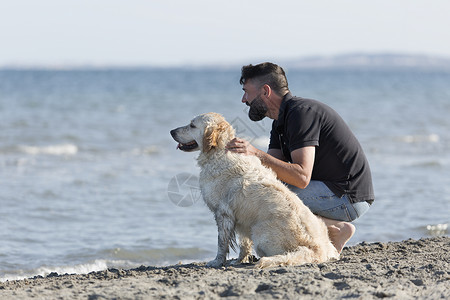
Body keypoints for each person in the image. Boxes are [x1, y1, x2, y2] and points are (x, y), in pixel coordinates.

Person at [226, 62, 374, 253]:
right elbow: (271, 173)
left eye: (246, 92)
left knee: (268, 196)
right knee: (262, 189)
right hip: (332, 192)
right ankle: (331, 230)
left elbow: (301, 177)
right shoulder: (281, 120)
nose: (243, 99)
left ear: (265, 91)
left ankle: (334, 229)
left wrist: (254, 152)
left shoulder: (301, 114)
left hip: (348, 198)